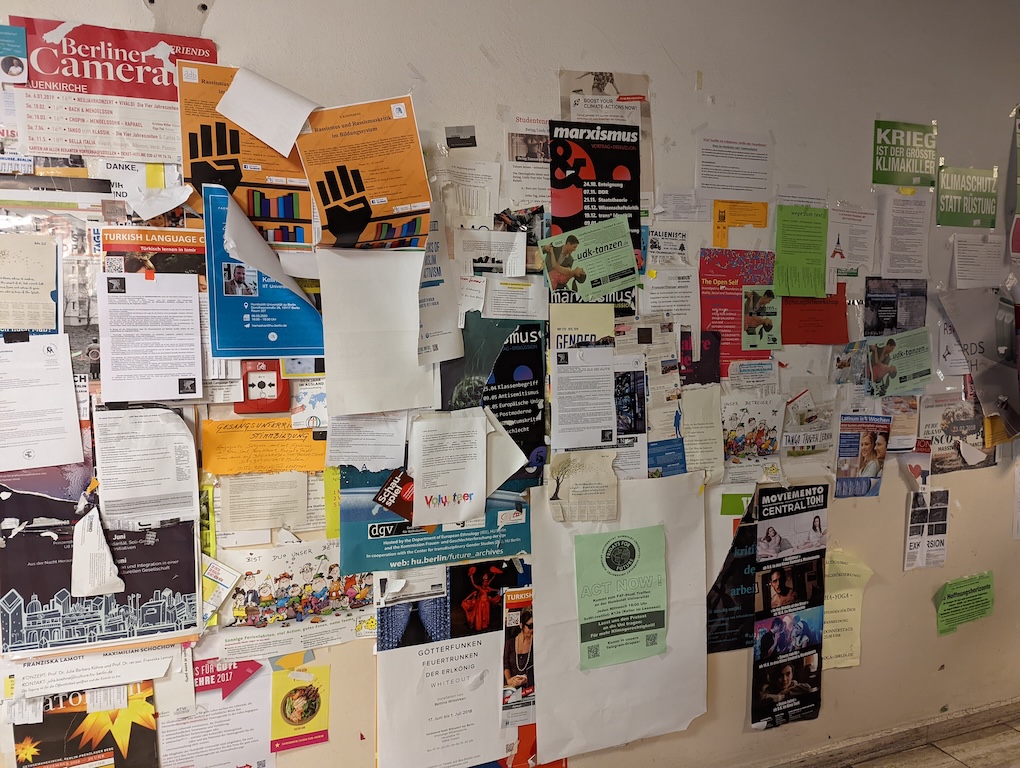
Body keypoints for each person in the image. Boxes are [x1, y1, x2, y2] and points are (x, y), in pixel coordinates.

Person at [461, 565, 501, 632]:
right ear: (482, 582)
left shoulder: (488, 588)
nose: (486, 581)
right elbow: (473, 584)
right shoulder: (480, 588)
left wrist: (494, 575)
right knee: (480, 614)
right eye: (484, 580)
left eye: (486, 580)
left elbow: (493, 586)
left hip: (486, 603)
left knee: (485, 614)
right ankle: (479, 626)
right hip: (480, 603)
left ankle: (484, 625)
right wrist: (471, 577)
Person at [503, 608, 535, 691]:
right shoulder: (510, 643)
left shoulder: (535, 643)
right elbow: (506, 665)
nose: (532, 629)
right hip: (512, 687)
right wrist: (509, 680)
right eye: (530, 626)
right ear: (521, 625)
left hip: (530, 686)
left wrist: (527, 679)